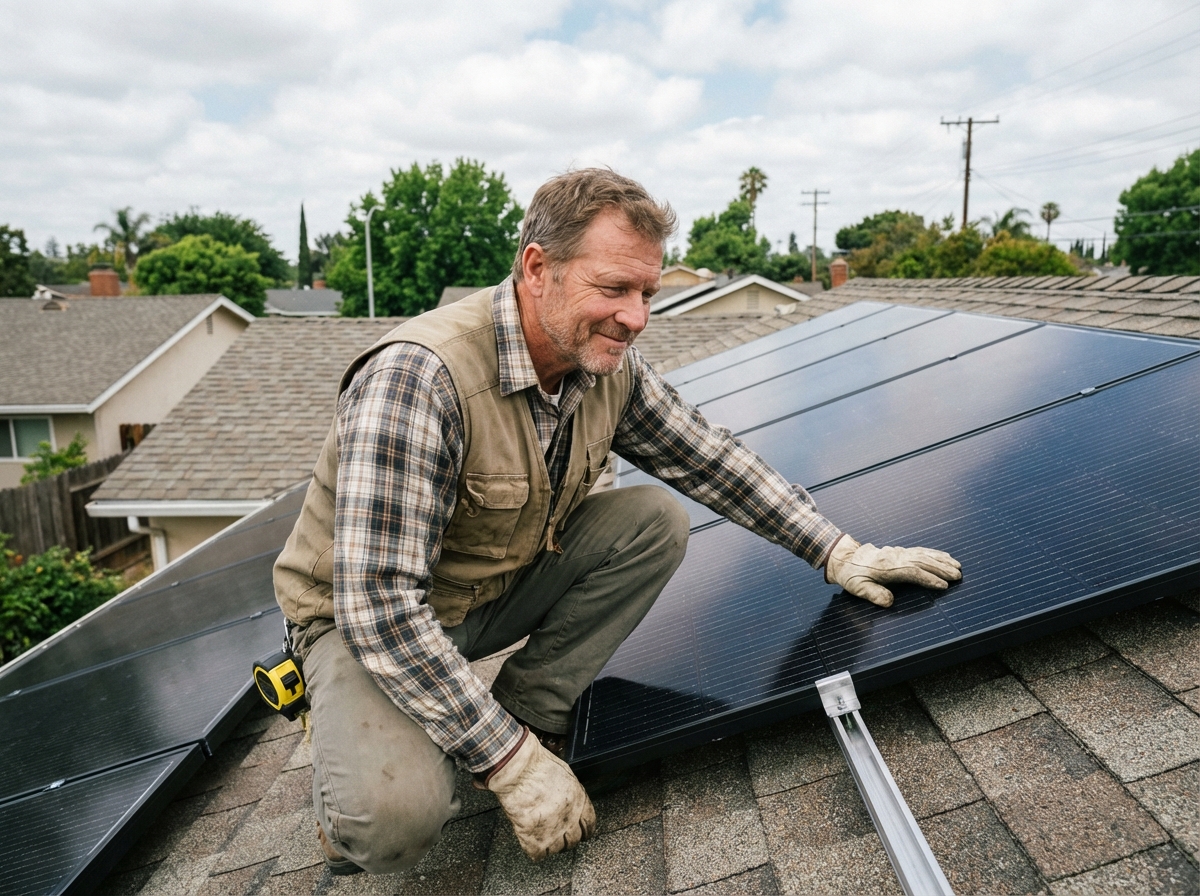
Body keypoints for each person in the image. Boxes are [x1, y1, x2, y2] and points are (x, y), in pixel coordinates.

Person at [273, 168, 961, 875]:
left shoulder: (604, 364)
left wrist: (838, 550)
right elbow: (379, 604)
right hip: (360, 621)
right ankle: (369, 769)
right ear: (539, 269)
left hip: (489, 589)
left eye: (646, 294)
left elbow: (708, 459)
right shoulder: (419, 379)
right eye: (613, 289)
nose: (634, 317)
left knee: (652, 518)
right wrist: (508, 766)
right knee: (395, 825)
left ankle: (528, 711)